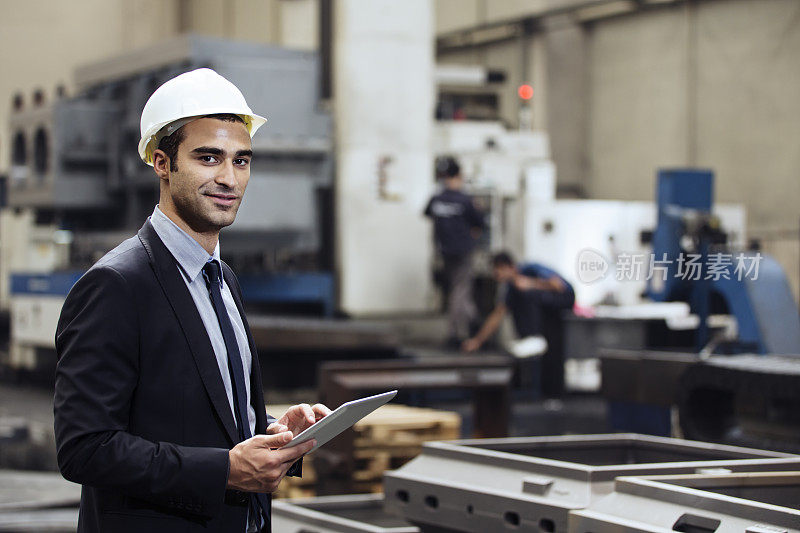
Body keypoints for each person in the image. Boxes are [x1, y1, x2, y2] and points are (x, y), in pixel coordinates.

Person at [53, 68, 331, 533]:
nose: (229, 178)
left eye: (241, 160)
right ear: (162, 163)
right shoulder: (116, 286)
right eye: (208, 158)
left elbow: (199, 416)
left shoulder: (222, 279)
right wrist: (224, 470)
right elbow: (85, 447)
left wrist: (270, 431)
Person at [463, 251, 575, 398]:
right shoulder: (510, 289)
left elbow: (558, 285)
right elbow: (498, 314)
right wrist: (477, 341)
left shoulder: (531, 269)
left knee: (525, 292)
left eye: (498, 272)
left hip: (557, 309)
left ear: (507, 267)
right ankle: (530, 339)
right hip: (539, 326)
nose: (497, 278)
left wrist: (532, 283)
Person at [424, 156, 486, 347]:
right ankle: (455, 332)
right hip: (462, 251)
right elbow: (480, 223)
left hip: (444, 251)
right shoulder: (465, 200)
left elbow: (428, 214)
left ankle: (476, 323)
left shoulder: (437, 198)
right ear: (458, 175)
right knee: (460, 291)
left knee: (458, 290)